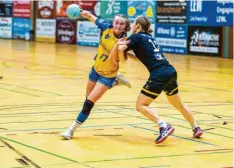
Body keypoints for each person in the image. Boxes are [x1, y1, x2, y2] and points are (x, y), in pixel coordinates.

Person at [116, 16, 203, 144]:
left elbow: (121, 54)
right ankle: (195, 127)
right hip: (170, 71)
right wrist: (127, 53)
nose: (132, 26)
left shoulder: (136, 37)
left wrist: (119, 47)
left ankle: (163, 125)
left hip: (158, 74)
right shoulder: (150, 38)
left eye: (134, 23)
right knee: (179, 104)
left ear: (138, 26)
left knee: (140, 105)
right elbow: (143, 57)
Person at [61, 10, 131, 140]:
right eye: (116, 22)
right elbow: (91, 17)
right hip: (96, 69)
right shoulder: (106, 27)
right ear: (113, 23)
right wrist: (81, 11)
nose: (118, 25)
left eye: (122, 24)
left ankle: (70, 130)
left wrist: (120, 49)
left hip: (108, 74)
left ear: (125, 27)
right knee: (87, 98)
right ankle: (116, 81)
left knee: (88, 104)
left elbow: (122, 60)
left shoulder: (125, 41)